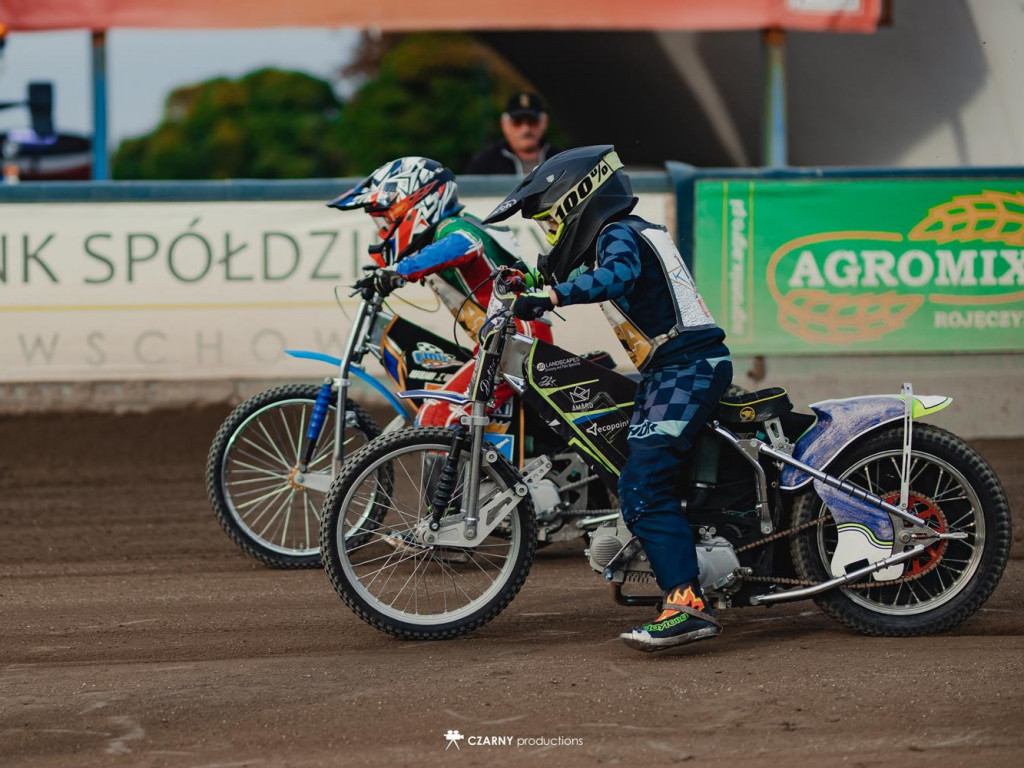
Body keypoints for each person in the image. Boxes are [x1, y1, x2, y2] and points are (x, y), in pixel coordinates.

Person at [483, 145, 733, 653]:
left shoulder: (620, 234)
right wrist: (530, 281)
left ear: (576, 201)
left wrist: (550, 297)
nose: (552, 234)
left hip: (687, 368)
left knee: (641, 482)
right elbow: (573, 272)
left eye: (551, 222)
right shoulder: (626, 231)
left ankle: (687, 603)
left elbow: (615, 276)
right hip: (676, 367)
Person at [327, 156, 553, 428]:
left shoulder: (453, 227)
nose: (384, 231)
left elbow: (466, 244)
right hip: (504, 339)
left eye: (387, 219)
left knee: (436, 416)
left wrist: (400, 270)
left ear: (418, 202)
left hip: (515, 338)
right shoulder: (445, 232)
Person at [464, 91, 560, 176]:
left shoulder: (559, 159)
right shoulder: (484, 163)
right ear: (504, 124)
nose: (526, 129)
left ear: (544, 123)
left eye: (532, 121)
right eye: (517, 122)